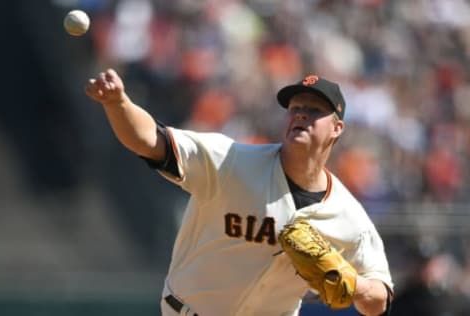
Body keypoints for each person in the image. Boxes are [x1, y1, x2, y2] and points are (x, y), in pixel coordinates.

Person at [85, 69, 394, 316]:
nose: (300, 114)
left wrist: (356, 287)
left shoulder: (346, 214)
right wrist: (118, 104)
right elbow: (150, 141)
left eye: (314, 111)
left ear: (337, 128)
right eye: (295, 108)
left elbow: (380, 297)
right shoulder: (232, 162)